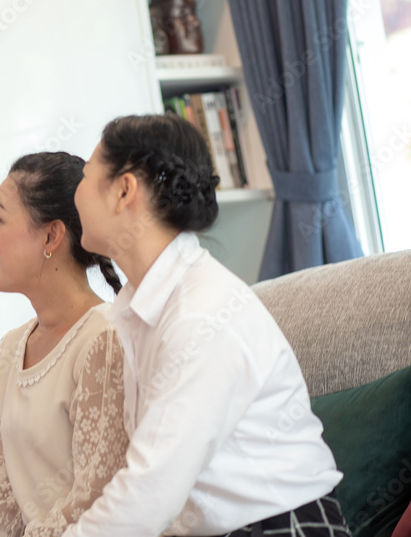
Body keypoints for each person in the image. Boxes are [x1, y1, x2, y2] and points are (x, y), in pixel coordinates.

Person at [68, 114, 349, 536]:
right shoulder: (146, 306)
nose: (76, 194)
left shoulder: (200, 313)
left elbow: (150, 492)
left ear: (124, 190)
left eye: (86, 176)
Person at [0, 152, 129, 536]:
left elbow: (96, 501)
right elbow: (5, 491)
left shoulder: (104, 340)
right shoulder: (9, 351)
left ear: (52, 235)